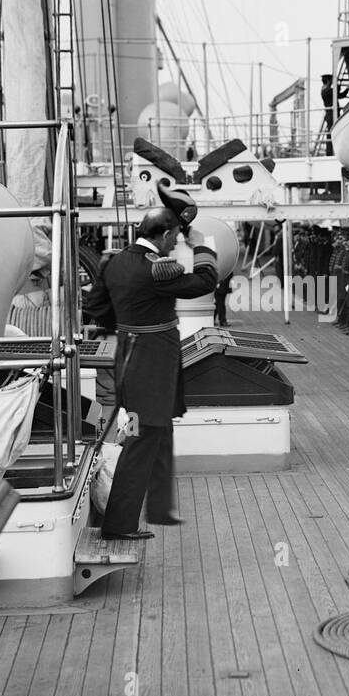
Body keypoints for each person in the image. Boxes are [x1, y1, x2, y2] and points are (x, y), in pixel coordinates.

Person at [84, 209, 219, 539]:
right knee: (141, 440)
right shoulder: (155, 269)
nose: (175, 244)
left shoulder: (114, 263)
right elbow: (204, 281)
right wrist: (204, 247)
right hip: (151, 365)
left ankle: (128, 515)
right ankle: (119, 524)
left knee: (137, 431)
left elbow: (97, 308)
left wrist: (131, 325)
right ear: (165, 234)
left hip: (129, 359)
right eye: (174, 237)